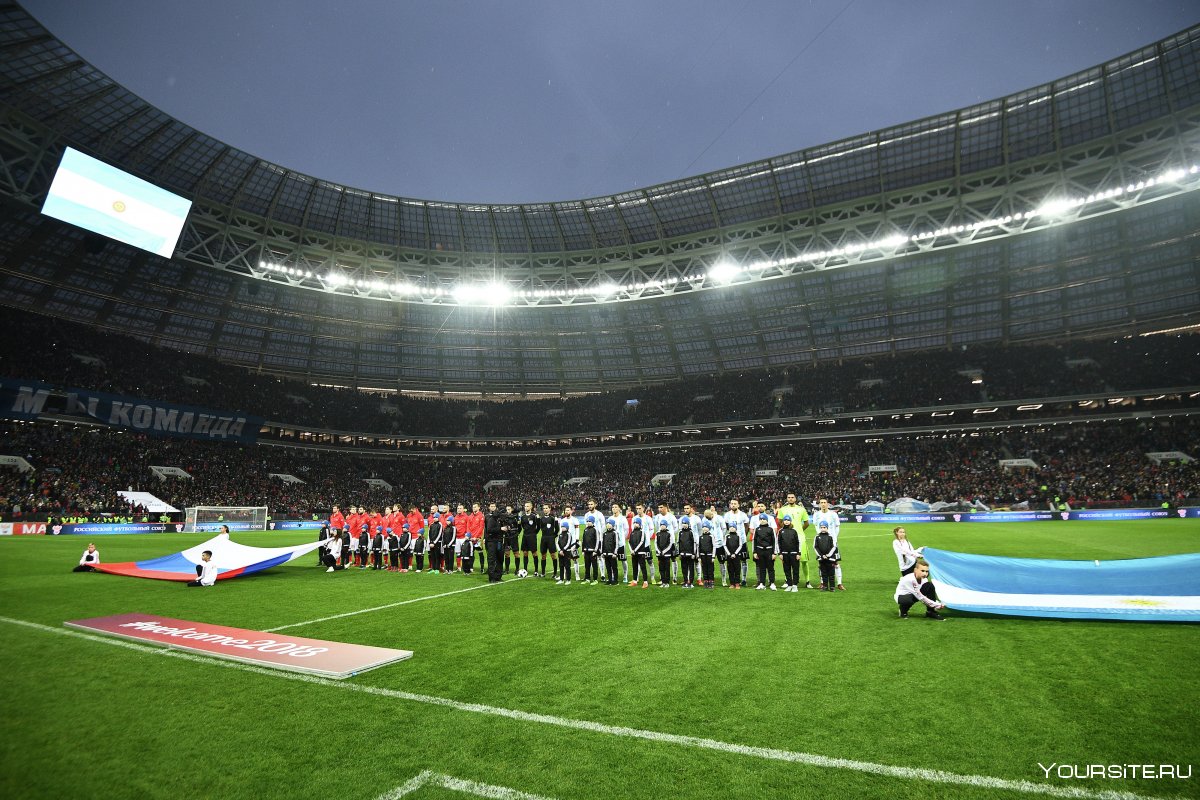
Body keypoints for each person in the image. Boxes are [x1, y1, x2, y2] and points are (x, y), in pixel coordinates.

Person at [777, 492, 813, 589]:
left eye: (792, 497)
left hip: (800, 537)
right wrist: (786, 530)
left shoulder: (801, 509)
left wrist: (799, 531)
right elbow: (780, 521)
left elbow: (806, 523)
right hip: (787, 538)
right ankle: (787, 580)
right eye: (789, 497)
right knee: (786, 560)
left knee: (804, 560)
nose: (790, 499)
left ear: (795, 498)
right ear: (787, 499)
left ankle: (807, 581)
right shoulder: (782, 509)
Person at [811, 498, 844, 590]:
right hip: (821, 541)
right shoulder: (816, 515)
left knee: (836, 563)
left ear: (828, 504)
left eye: (825, 502)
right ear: (819, 505)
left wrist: (834, 538)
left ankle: (839, 583)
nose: (823, 504)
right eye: (821, 503)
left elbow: (837, 527)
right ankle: (822, 583)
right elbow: (816, 526)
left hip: (832, 542)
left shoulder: (833, 514)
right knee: (821, 562)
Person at [751, 513, 779, 590]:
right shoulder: (757, 529)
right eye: (761, 519)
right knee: (761, 568)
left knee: (770, 568)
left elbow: (774, 541)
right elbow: (754, 541)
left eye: (764, 519)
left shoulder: (770, 529)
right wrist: (754, 552)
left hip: (769, 551)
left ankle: (772, 583)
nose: (762, 520)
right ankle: (762, 583)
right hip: (760, 551)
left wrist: (774, 553)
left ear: (767, 520)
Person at [777, 514, 802, 592]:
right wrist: (780, 553)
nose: (786, 522)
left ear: (790, 521)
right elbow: (778, 543)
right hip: (784, 554)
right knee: (786, 570)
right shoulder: (781, 531)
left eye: (788, 520)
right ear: (783, 521)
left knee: (795, 570)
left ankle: (795, 585)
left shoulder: (794, 531)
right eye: (785, 520)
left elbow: (798, 542)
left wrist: (799, 553)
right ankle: (789, 584)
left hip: (794, 554)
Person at [812, 521, 839, 593]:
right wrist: (821, 555)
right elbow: (815, 547)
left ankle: (832, 587)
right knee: (823, 573)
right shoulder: (817, 537)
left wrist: (828, 555)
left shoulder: (831, 536)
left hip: (830, 559)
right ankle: (825, 586)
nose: (823, 529)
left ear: (827, 528)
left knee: (831, 573)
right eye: (821, 527)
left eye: (824, 527)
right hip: (821, 558)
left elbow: (834, 546)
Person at [484, 502, 506, 583]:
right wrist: (500, 529)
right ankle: (492, 577)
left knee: (500, 558)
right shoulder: (491, 519)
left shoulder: (499, 520)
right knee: (492, 559)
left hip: (499, 541)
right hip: (492, 542)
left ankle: (498, 576)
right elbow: (489, 530)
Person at [628, 517, 650, 588]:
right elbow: (629, 542)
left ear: (640, 524)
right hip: (633, 553)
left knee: (643, 567)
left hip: (641, 553)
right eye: (634, 523)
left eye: (637, 523)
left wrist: (635, 550)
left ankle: (645, 582)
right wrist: (631, 550)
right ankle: (634, 581)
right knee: (634, 567)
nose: (635, 524)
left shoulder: (642, 532)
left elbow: (642, 542)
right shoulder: (632, 533)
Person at [518, 501, 539, 575]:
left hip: (532, 537)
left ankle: (536, 570)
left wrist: (534, 533)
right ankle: (525, 570)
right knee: (525, 553)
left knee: (534, 553)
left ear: (531, 507)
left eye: (527, 506)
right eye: (525, 506)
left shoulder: (534, 516)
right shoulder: (523, 517)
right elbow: (522, 526)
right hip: (525, 536)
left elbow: (538, 526)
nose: (526, 507)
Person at [537, 503, 557, 578]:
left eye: (546, 508)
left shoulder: (553, 518)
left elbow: (557, 529)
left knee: (553, 556)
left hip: (551, 539)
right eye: (544, 508)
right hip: (543, 538)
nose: (545, 509)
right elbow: (540, 528)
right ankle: (543, 573)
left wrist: (553, 536)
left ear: (549, 509)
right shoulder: (541, 519)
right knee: (543, 556)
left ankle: (555, 573)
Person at [677, 518, 698, 589]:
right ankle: (685, 581)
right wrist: (679, 553)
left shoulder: (691, 532)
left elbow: (694, 543)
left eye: (685, 523)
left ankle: (690, 582)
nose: (684, 525)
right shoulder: (680, 532)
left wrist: (693, 553)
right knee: (684, 568)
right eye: (683, 523)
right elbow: (678, 543)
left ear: (688, 524)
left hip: (690, 554)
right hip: (682, 554)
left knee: (691, 568)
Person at [555, 520, 577, 585]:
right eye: (561, 527)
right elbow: (557, 543)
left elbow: (568, 543)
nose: (562, 528)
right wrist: (559, 550)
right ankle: (561, 579)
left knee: (567, 566)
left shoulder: (569, 534)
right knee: (561, 566)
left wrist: (563, 550)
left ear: (567, 527)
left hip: (567, 552)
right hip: (560, 552)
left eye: (564, 527)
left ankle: (568, 579)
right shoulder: (560, 534)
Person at [698, 520, 718, 589]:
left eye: (706, 527)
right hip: (703, 555)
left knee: (710, 569)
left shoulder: (711, 536)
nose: (704, 528)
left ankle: (711, 581)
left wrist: (713, 556)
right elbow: (699, 547)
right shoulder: (700, 537)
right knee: (704, 568)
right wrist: (699, 557)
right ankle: (706, 581)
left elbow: (714, 546)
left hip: (709, 555)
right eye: (703, 527)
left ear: (709, 528)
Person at [655, 520, 675, 589]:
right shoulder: (658, 533)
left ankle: (667, 582)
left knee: (667, 568)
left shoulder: (669, 534)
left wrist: (664, 551)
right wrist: (659, 551)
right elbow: (656, 543)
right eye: (661, 525)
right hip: (660, 554)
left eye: (663, 525)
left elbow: (670, 544)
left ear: (666, 526)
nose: (662, 526)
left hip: (667, 554)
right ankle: (663, 581)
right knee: (661, 568)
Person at [724, 521, 743, 590]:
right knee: (730, 569)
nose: (731, 528)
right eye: (730, 527)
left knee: (737, 569)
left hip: (736, 556)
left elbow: (740, 545)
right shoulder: (727, 536)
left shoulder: (738, 536)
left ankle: (737, 583)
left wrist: (735, 553)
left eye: (733, 527)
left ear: (736, 528)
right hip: (729, 556)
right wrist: (729, 554)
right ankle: (732, 583)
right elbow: (725, 545)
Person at [581, 518, 601, 585]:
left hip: (593, 551)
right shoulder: (585, 529)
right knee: (587, 565)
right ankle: (587, 578)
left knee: (594, 565)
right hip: (586, 551)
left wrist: (595, 550)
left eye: (590, 521)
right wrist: (583, 550)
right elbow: (583, 540)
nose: (588, 522)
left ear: (593, 522)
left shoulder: (595, 530)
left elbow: (598, 540)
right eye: (587, 521)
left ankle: (595, 579)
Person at [601, 517, 620, 585]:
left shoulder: (615, 533)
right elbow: (603, 543)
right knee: (608, 567)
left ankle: (615, 580)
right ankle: (609, 579)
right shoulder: (604, 533)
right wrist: (602, 552)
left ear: (613, 525)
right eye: (607, 523)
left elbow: (616, 543)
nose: (608, 524)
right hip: (606, 553)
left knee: (614, 567)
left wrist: (615, 553)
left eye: (609, 523)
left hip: (612, 554)